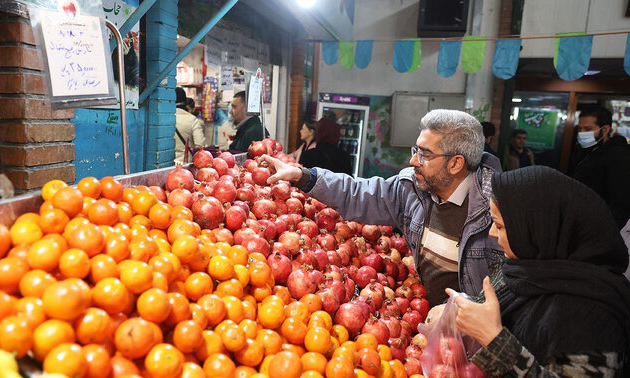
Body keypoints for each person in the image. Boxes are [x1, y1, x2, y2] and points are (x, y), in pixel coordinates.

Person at [264, 109, 504, 306]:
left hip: (473, 340)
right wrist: (302, 175)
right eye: (415, 151)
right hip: (423, 319)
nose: (412, 161)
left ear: (455, 164)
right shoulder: (411, 189)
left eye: (425, 155)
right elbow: (358, 193)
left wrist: (459, 314)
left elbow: (509, 287)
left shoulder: (500, 213)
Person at [447, 166, 630, 377]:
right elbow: (490, 311)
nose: (492, 233)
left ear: (537, 230)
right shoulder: (521, 270)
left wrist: (493, 339)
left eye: (500, 226)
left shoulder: (595, 319)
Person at [572, 107, 630, 228]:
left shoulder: (618, 156)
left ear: (605, 129)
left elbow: (620, 204)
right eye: (579, 129)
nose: (582, 133)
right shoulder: (588, 151)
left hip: (599, 229)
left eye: (588, 129)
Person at [174, 87, 205, 164]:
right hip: (185, 165)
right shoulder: (192, 120)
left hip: (166, 165)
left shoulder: (164, 118)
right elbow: (200, 145)